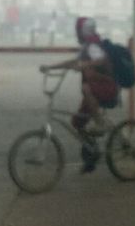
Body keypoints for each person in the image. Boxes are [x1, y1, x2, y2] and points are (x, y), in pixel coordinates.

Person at [40, 16, 119, 172]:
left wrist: (85, 64)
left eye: (78, 30)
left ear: (83, 31)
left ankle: (100, 123)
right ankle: (91, 154)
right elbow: (73, 62)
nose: (77, 34)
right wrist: (50, 67)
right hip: (95, 91)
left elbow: (101, 60)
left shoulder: (93, 46)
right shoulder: (87, 47)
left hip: (106, 87)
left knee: (85, 89)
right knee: (77, 123)